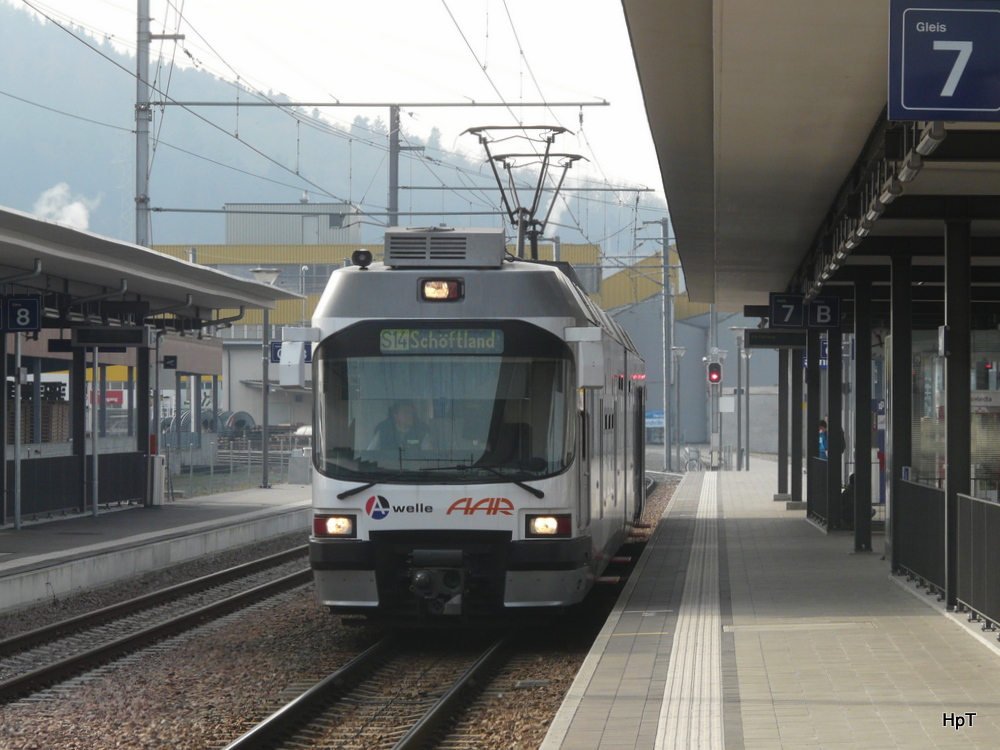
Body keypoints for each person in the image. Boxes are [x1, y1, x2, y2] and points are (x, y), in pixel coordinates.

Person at [367, 401, 433, 451]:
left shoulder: (422, 431)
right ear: (396, 416)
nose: (411, 416)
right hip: (385, 468)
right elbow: (371, 453)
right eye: (406, 412)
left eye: (412, 413)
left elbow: (428, 456)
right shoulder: (383, 431)